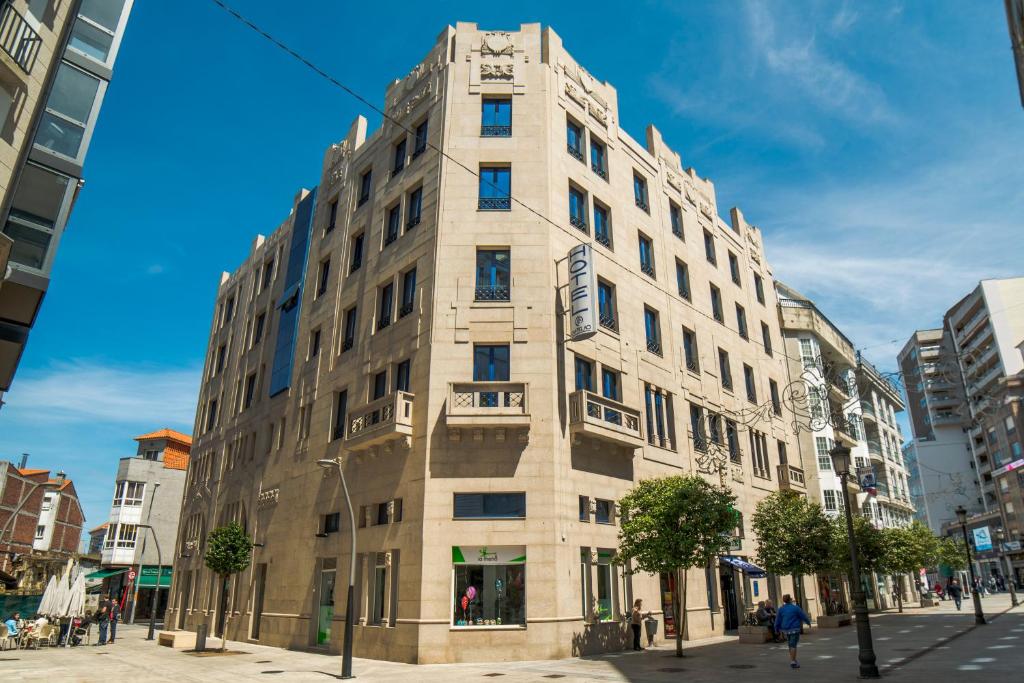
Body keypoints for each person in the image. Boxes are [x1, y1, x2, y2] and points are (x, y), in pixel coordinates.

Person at [774, 594, 811, 670]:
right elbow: (803, 615)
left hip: (786, 630)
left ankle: (793, 659)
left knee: (790, 644)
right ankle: (793, 661)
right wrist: (808, 622)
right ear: (790, 600)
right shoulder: (795, 608)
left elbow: (777, 620)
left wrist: (776, 628)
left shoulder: (781, 609)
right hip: (794, 628)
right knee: (793, 645)